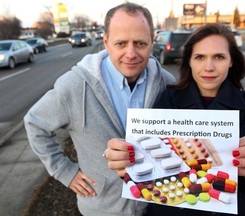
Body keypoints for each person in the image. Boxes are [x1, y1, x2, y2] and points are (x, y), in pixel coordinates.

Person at [105, 23, 245, 216]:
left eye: (219, 57)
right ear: (189, 61)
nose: (209, 67)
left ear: (231, 61)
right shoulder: (168, 98)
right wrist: (126, 156)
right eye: (200, 57)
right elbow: (146, 153)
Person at [23, 2, 175, 216]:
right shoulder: (75, 85)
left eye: (140, 43)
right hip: (101, 208)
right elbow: (35, 123)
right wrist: (64, 170)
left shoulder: (166, 84)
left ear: (152, 41)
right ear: (106, 43)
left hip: (153, 205)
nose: (130, 53)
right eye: (121, 43)